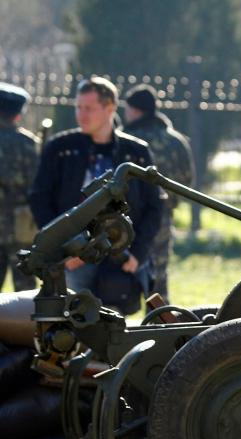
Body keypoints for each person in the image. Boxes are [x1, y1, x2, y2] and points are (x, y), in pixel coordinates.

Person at [29, 76, 161, 315]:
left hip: (121, 255)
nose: (81, 115)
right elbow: (40, 198)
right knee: (72, 323)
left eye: (88, 108)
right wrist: (61, 249)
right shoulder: (60, 149)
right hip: (72, 259)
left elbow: (154, 206)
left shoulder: (136, 152)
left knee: (115, 331)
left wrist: (138, 254)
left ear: (110, 108)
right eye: (78, 107)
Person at [123, 83, 194, 302]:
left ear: (135, 110)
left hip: (127, 219)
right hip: (163, 216)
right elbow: (186, 180)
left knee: (122, 274)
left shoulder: (125, 140)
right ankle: (160, 325)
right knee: (159, 278)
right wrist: (169, 203)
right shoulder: (175, 141)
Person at [0, 83, 39, 291]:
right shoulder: (26, 143)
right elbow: (36, 185)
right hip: (20, 225)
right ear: (17, 115)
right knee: (24, 290)